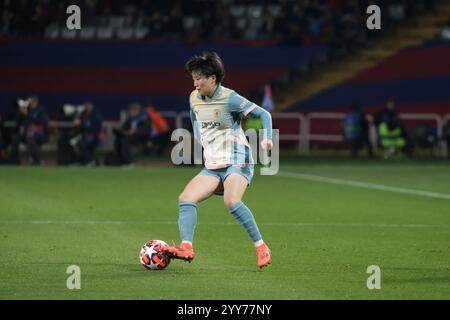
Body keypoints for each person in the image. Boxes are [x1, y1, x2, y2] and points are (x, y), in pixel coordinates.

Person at [163, 52, 273, 268]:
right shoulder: (194, 98)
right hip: (213, 165)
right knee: (186, 199)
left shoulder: (230, 98)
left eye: (199, 78)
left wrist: (267, 140)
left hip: (237, 160)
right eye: (193, 78)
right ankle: (186, 247)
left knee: (231, 201)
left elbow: (264, 115)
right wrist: (199, 137)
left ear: (212, 78)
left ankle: (261, 246)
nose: (195, 83)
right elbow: (195, 117)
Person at [10, 96, 49, 165]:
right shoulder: (27, 110)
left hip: (39, 134)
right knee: (15, 137)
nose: (28, 104)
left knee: (30, 138)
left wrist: (28, 114)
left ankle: (36, 160)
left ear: (35, 102)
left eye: (30, 102)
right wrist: (20, 113)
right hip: (25, 134)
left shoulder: (40, 110)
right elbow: (17, 124)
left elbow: (43, 123)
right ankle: (14, 161)